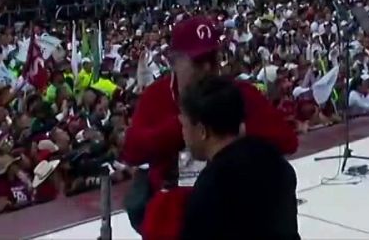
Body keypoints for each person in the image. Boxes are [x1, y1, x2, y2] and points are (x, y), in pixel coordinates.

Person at [122, 15, 300, 240]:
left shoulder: (237, 92)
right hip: (173, 211)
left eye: (212, 59)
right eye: (198, 61)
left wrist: (220, 125)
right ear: (174, 61)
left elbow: (287, 140)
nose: (207, 68)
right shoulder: (156, 96)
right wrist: (184, 128)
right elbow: (131, 150)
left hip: (234, 208)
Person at [176, 75, 300, 240]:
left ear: (202, 130)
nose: (183, 133)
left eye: (184, 125)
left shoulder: (210, 188)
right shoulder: (275, 160)